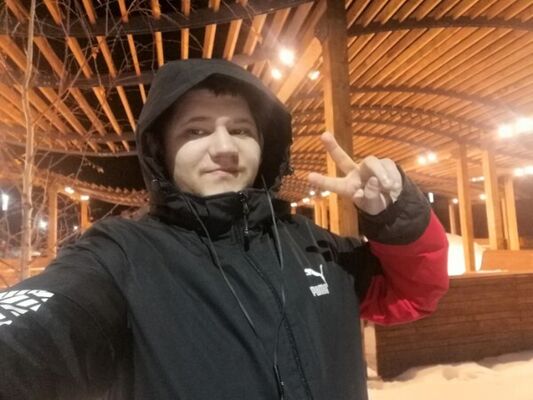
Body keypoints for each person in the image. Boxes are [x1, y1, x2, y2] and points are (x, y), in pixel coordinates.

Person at [0, 59, 449, 399]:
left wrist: (397, 217)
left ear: (264, 146)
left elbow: (413, 293)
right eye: (196, 131)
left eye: (241, 130)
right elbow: (38, 334)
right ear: (161, 150)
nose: (223, 147)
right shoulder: (120, 257)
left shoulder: (311, 244)